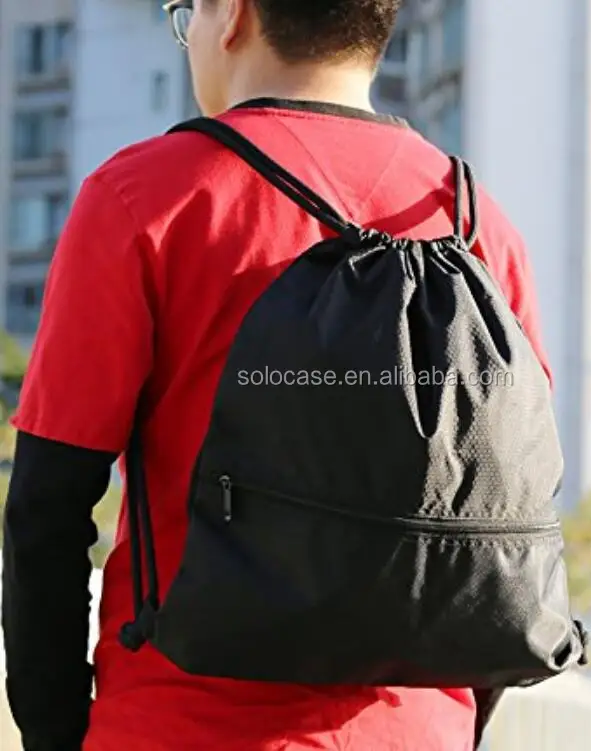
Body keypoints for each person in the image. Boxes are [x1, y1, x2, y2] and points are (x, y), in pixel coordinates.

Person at [1, 1, 551, 749]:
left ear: (232, 14)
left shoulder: (149, 197)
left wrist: (55, 733)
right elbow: (504, 516)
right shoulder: (478, 224)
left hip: (176, 727)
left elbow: (47, 509)